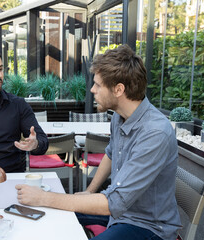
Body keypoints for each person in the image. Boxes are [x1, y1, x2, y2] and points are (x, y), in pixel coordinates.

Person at [15, 44, 181, 240]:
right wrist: (88, 191)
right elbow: (111, 154)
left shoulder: (155, 132)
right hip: (120, 212)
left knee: (49, 201)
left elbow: (115, 202)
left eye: (98, 85)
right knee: (47, 211)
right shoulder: (120, 116)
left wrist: (45, 197)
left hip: (148, 226)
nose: (92, 90)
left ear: (118, 89)